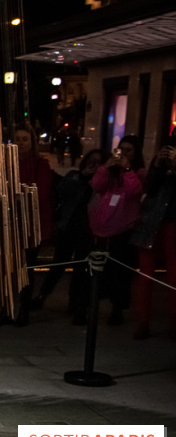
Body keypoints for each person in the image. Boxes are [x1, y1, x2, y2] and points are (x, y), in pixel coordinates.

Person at [32, 149, 106, 324]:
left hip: (88, 230)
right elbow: (62, 190)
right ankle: (43, 295)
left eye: (98, 162)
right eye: (91, 161)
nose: (94, 165)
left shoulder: (102, 182)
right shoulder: (74, 176)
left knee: (82, 268)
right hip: (69, 227)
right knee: (59, 263)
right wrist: (82, 176)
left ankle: (76, 303)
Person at [88, 135, 146, 325]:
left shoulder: (138, 172)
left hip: (124, 227)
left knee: (120, 273)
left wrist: (127, 170)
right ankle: (94, 303)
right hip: (103, 226)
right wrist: (107, 166)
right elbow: (97, 185)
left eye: (129, 150)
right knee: (100, 271)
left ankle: (117, 308)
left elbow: (134, 191)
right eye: (122, 149)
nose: (124, 154)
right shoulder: (110, 170)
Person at [129, 132, 176, 339]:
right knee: (145, 274)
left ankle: (174, 320)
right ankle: (143, 321)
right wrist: (157, 166)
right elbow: (149, 187)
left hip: (172, 223)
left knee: (173, 275)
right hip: (151, 222)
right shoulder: (160, 163)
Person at [12, 123, 55, 326]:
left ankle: (24, 310)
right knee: (10, 269)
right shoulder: (6, 162)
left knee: (27, 267)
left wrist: (18, 195)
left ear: (32, 142)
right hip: (11, 221)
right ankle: (8, 309)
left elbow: (41, 194)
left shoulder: (40, 165)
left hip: (31, 223)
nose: (20, 143)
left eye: (24, 139)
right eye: (17, 139)